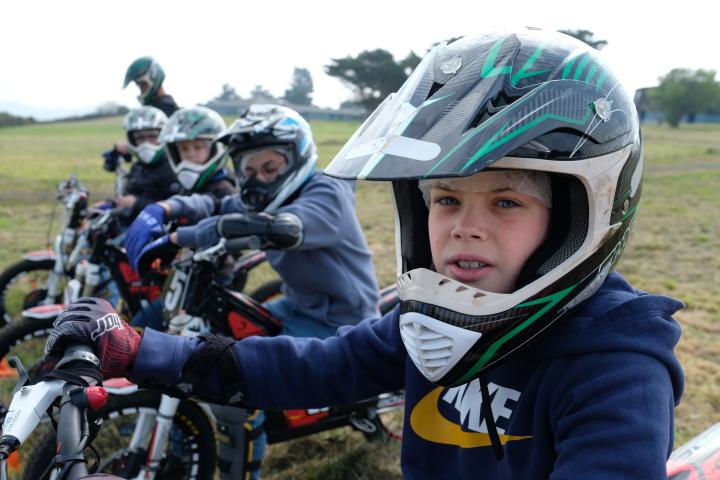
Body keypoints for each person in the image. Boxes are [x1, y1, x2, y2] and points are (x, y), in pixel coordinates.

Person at [45, 29, 684, 479]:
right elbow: (319, 366)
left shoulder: (615, 372)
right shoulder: (430, 320)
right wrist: (140, 349)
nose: (465, 228)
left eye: (506, 201)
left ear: (580, 215)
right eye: (445, 199)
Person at [123, 103, 381, 478]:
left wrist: (180, 237)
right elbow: (217, 203)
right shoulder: (267, 194)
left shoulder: (328, 191)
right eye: (248, 171)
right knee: (225, 342)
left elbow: (278, 226)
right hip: (297, 305)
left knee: (239, 385)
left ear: (297, 157)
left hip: (342, 320)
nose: (258, 180)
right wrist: (165, 208)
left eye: (270, 168)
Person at [126, 105, 237, 326]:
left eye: (198, 147)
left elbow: (209, 211)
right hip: (185, 276)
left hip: (214, 279)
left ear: (215, 148)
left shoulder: (223, 187)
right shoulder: (188, 186)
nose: (191, 154)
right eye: (184, 149)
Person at [100, 106, 182, 219]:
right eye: (140, 138)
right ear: (132, 140)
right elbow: (129, 195)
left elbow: (177, 210)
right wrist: (112, 204)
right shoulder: (138, 166)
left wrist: (137, 203)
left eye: (152, 136)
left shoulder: (173, 169)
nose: (146, 144)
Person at [103, 56, 180, 168]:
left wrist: (128, 148)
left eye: (143, 84)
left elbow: (164, 142)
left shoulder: (164, 107)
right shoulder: (155, 106)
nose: (141, 89)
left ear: (154, 79)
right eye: (138, 85)